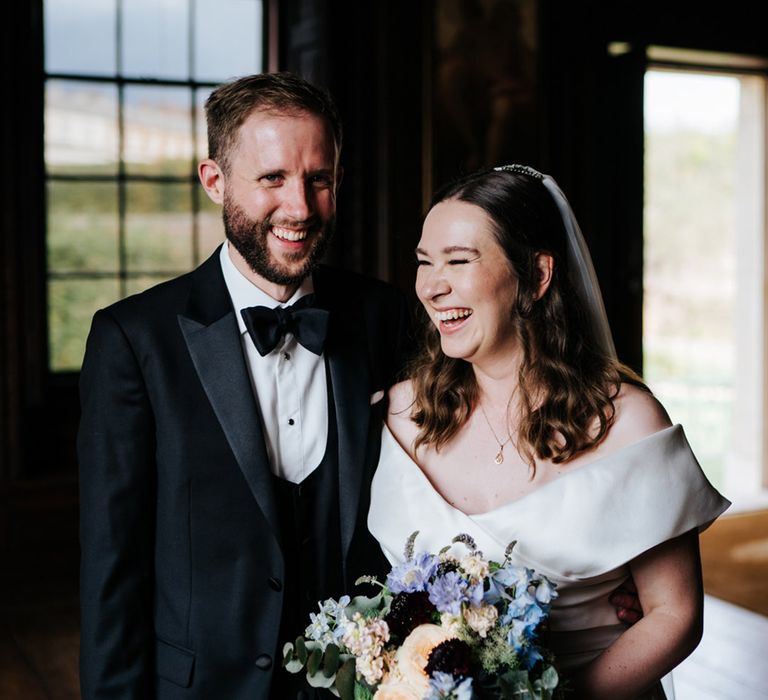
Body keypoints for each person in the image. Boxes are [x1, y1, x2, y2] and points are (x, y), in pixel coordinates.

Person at [77, 72, 409, 699]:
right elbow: (111, 569)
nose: (301, 208)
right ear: (215, 181)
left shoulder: (384, 317)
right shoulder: (133, 340)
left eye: (320, 179)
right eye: (272, 179)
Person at [369, 164, 730, 699]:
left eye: (459, 261)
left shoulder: (627, 423)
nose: (432, 286)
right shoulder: (397, 415)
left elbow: (674, 614)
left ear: (536, 276)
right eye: (424, 262)